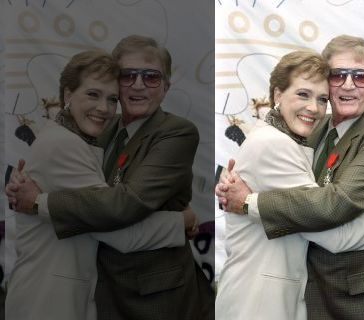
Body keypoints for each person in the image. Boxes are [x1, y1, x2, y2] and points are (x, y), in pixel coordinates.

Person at [217, 35, 364, 319]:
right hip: (309, 290)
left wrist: (248, 203)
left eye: (361, 77)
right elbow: (302, 201)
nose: (349, 84)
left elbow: (333, 206)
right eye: (339, 75)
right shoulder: (309, 125)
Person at [6, 35, 213, 319]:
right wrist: (182, 221)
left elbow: (124, 205)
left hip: (154, 298)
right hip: (83, 291)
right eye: (128, 76)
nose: (138, 84)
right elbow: (109, 220)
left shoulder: (175, 131)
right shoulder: (97, 128)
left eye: (151, 77)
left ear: (165, 87)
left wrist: (38, 202)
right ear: (68, 95)